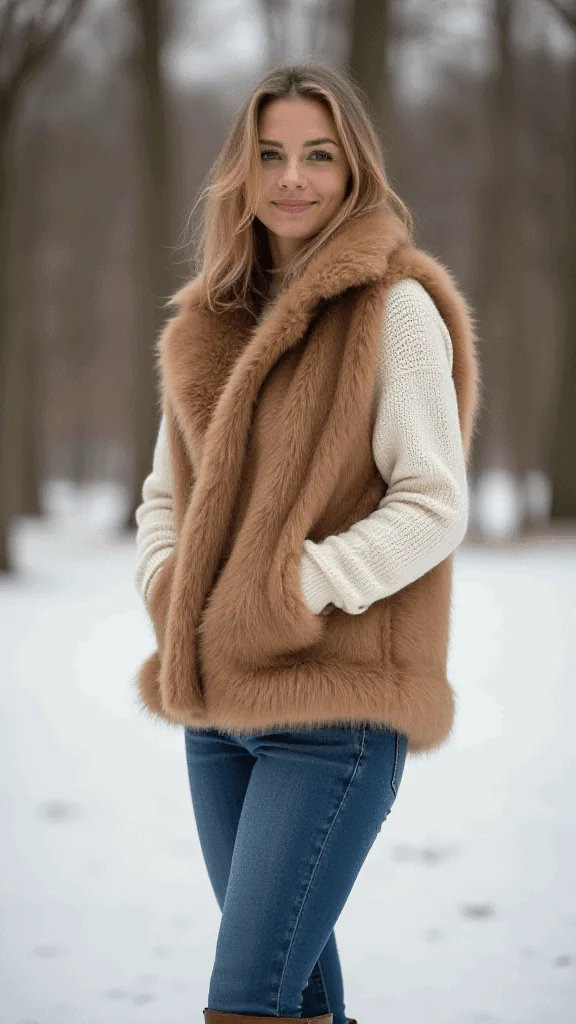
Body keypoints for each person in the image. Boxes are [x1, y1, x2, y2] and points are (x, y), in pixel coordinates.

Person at [133, 61, 480, 1024]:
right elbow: (165, 496)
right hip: (216, 714)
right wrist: (171, 590)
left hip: (334, 715)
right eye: (271, 155)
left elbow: (432, 502)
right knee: (296, 994)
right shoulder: (210, 321)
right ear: (241, 173)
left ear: (355, 170)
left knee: (245, 1000)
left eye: (318, 156)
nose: (293, 178)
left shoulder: (394, 309)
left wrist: (298, 586)